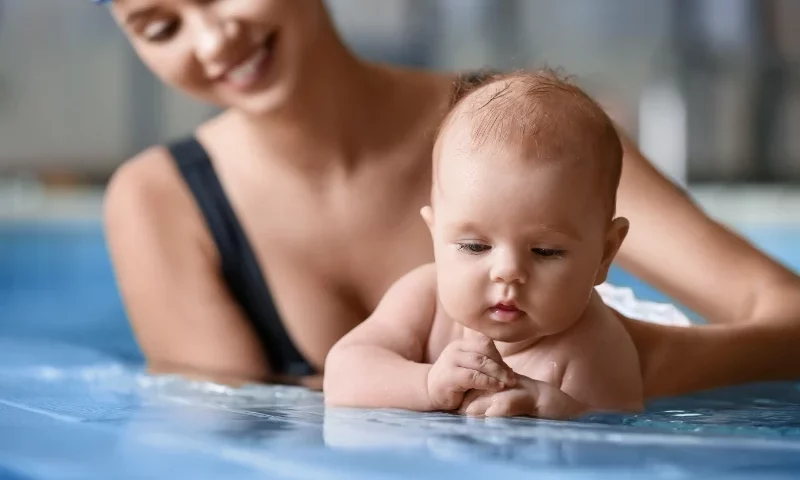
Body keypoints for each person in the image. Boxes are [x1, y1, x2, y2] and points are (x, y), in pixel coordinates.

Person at [101, 0, 800, 398]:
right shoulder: (159, 202)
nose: (216, 38)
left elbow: (790, 319)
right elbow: (222, 448)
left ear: (602, 250)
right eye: (160, 27)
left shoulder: (539, 134)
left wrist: (640, 364)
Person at [323, 71, 643, 418]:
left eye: (545, 251)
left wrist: (550, 408)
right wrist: (426, 384)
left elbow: (615, 441)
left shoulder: (596, 351)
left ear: (605, 254)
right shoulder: (424, 301)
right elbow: (342, 375)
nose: (508, 272)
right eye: (475, 247)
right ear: (435, 236)